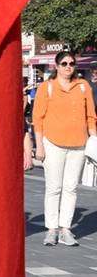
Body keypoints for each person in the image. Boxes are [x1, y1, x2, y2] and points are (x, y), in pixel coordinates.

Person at [32, 51, 97, 246]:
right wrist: (39, 146)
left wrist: (93, 140)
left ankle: (66, 229)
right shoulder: (47, 87)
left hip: (78, 144)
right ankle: (51, 229)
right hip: (53, 143)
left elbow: (91, 116)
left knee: (71, 188)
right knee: (54, 187)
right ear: (56, 66)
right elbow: (38, 119)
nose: (68, 67)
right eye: (64, 63)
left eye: (71, 63)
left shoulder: (83, 86)